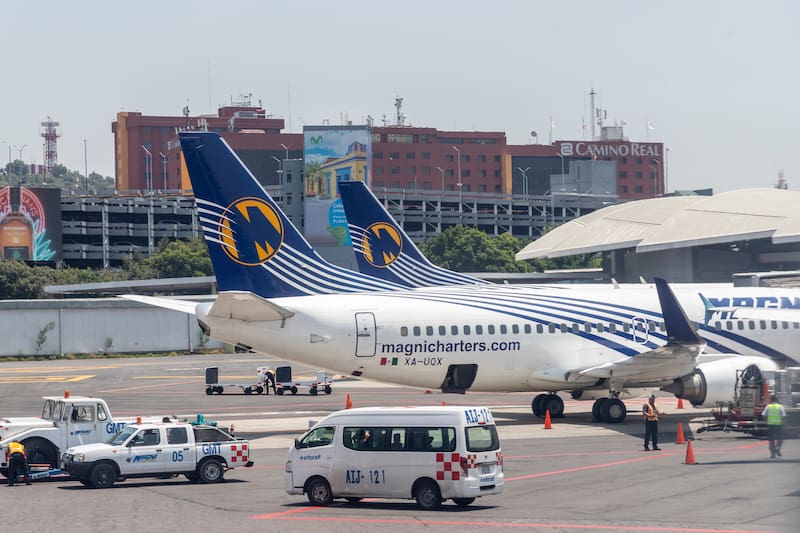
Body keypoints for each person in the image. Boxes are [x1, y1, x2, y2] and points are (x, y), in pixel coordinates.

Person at [762, 394, 786, 459]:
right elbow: (783, 416)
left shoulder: (768, 406)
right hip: (778, 425)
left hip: (770, 425)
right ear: (777, 400)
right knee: (780, 439)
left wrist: (766, 421)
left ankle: (772, 455)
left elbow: (763, 415)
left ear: (771, 400)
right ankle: (777, 448)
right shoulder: (780, 406)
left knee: (771, 441)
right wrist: (784, 424)